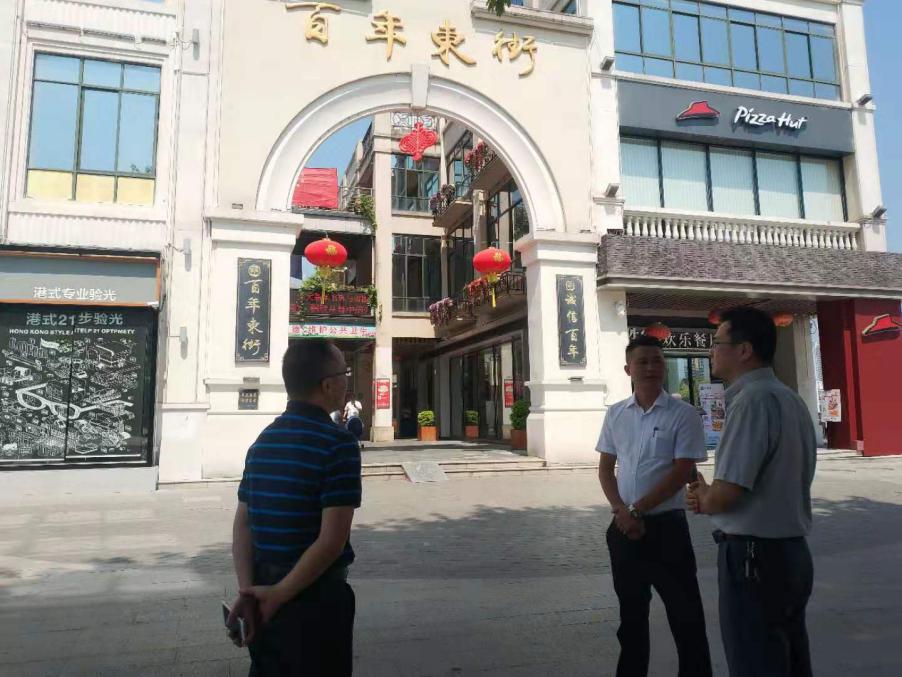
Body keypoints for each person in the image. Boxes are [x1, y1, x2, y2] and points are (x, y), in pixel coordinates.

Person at [687, 306, 817, 677]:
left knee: (755, 662)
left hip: (754, 558)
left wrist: (703, 497)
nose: (712, 351)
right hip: (790, 552)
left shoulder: (751, 402)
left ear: (744, 350)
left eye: (718, 343)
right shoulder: (790, 399)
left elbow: (728, 494)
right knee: (790, 661)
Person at [228, 338, 362, 676]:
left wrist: (248, 592)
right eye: (344, 374)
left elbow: (243, 525)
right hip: (316, 599)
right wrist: (278, 595)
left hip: (262, 597)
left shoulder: (262, 442)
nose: (347, 382)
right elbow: (331, 542)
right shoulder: (339, 444)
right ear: (328, 385)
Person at [597, 334, 713, 677]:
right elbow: (605, 469)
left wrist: (637, 510)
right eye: (643, 361)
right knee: (631, 620)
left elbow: (680, 472)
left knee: (686, 618)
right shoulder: (616, 414)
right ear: (628, 369)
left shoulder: (684, 414)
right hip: (624, 530)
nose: (651, 367)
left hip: (667, 531)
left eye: (657, 360)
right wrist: (621, 510)